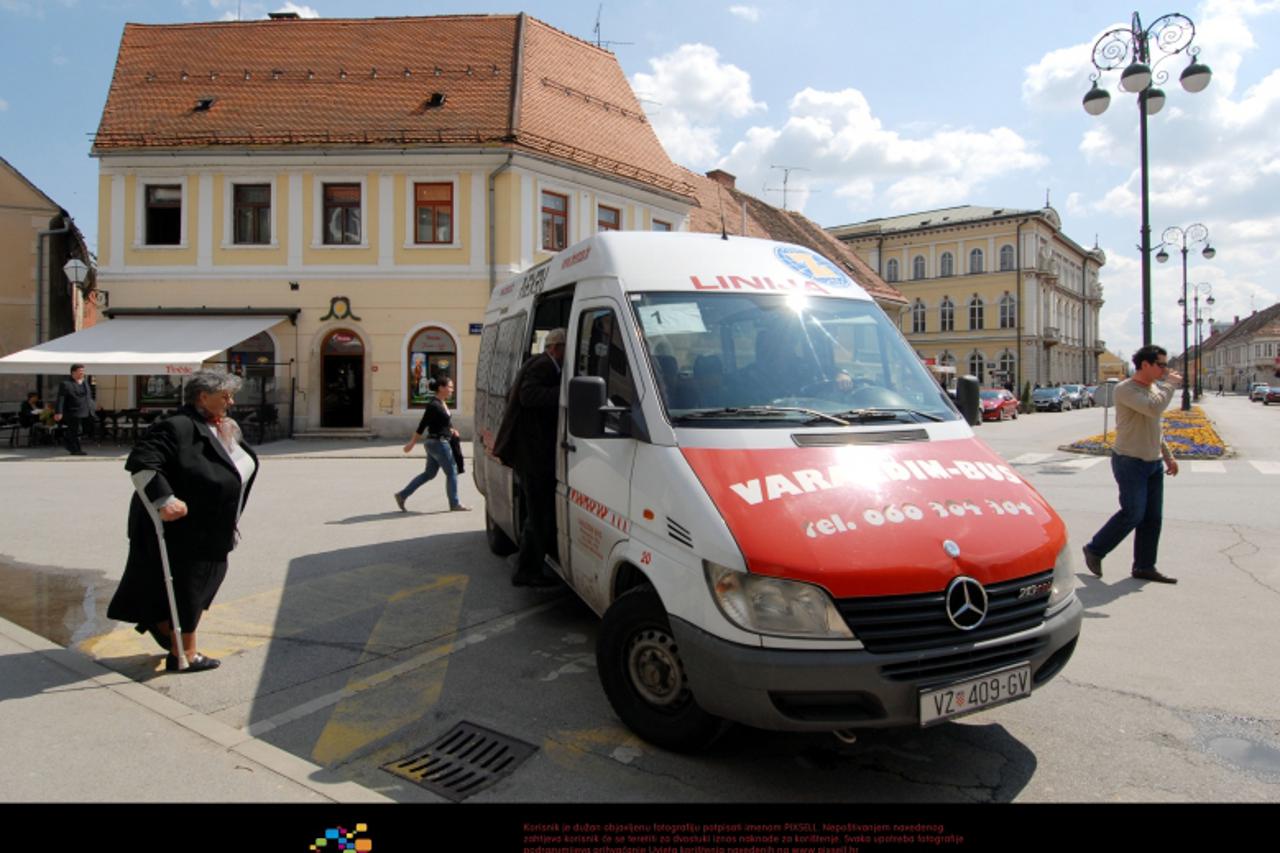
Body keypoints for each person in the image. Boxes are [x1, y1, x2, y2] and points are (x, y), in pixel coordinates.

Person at [106, 369, 258, 672]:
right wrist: (166, 500)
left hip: (214, 525)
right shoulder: (176, 426)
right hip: (183, 527)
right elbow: (143, 463)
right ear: (203, 397)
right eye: (224, 396)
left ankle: (164, 627)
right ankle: (184, 654)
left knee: (206, 580)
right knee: (190, 586)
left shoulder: (223, 426)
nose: (230, 401)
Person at [1082, 345, 1182, 584]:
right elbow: (1153, 408)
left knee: (1152, 518)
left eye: (1165, 365)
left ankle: (1144, 566)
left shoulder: (1154, 388)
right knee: (1133, 513)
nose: (1165, 369)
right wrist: (1170, 384)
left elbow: (1154, 426)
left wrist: (1167, 455)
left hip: (1153, 462)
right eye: (1161, 365)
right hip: (1130, 461)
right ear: (1145, 365)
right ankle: (1095, 549)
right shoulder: (1125, 389)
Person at [493, 328, 566, 587]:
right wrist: (566, 394)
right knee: (539, 515)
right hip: (532, 456)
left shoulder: (540, 364)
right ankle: (527, 572)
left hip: (529, 453)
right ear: (557, 348)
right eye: (566, 349)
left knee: (536, 513)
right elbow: (528, 396)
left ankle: (530, 567)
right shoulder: (543, 366)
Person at [394, 374, 470, 512]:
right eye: (450, 387)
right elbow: (422, 425)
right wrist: (411, 443)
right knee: (452, 472)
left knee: (429, 474)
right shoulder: (433, 405)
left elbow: (444, 422)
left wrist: (452, 430)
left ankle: (402, 495)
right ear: (441, 388)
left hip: (435, 442)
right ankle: (455, 503)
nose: (452, 389)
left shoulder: (442, 403)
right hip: (438, 443)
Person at [53, 364, 96, 455]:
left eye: (83, 371)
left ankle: (68, 441)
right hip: (72, 412)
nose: (82, 373)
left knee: (85, 429)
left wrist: (93, 405)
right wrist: (58, 412)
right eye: (80, 371)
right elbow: (61, 398)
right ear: (73, 372)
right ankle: (75, 449)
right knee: (75, 430)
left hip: (86, 411)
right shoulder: (66, 384)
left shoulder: (85, 383)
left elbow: (88, 397)